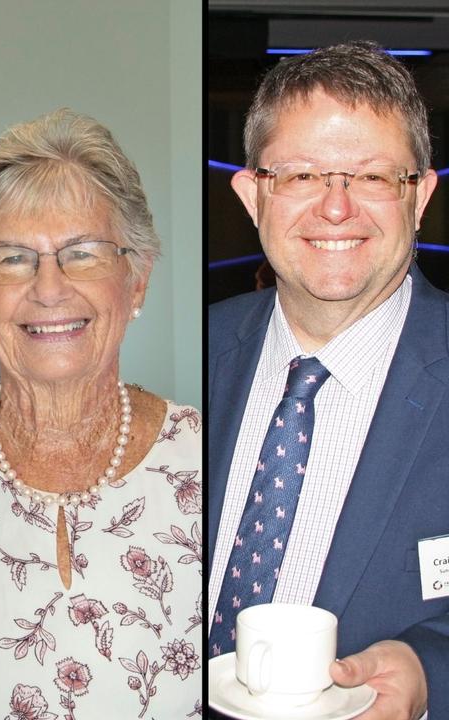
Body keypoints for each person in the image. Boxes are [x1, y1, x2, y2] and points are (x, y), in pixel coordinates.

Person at [209, 40, 448, 719]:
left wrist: (431, 671)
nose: (336, 209)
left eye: (373, 177)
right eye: (302, 176)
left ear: (420, 197)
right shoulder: (181, 358)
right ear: (252, 196)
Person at [0, 109, 202, 719]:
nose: (49, 288)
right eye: (11, 258)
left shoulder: (208, 456)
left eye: (82, 253)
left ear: (136, 281)